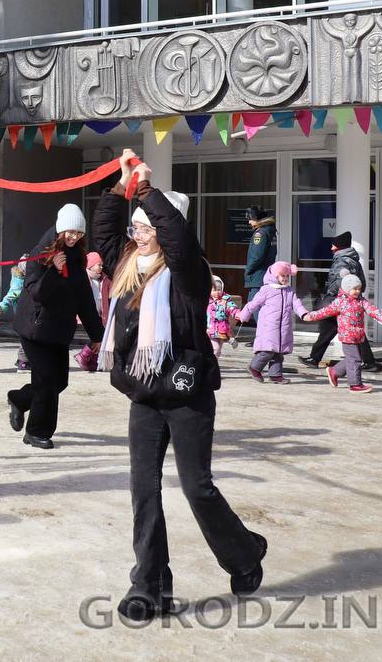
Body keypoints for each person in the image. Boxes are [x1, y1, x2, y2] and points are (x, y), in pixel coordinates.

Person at [92, 150, 267, 622]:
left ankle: (244, 552)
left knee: (197, 488)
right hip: (145, 396)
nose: (140, 234)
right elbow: (103, 232)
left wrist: (149, 193)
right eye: (138, 226)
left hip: (188, 396)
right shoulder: (127, 265)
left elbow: (179, 239)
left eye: (148, 227)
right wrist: (120, 187)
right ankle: (150, 585)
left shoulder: (188, 272)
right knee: (143, 491)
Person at [7, 204, 104, 449]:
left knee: (59, 381)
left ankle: (19, 399)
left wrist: (97, 335)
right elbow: (36, 293)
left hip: (59, 331)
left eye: (79, 234)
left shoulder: (77, 258)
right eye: (70, 232)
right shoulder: (39, 255)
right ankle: (36, 431)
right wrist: (55, 271)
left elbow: (84, 299)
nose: (74, 237)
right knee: (47, 381)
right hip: (35, 329)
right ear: (60, 229)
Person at [300, 232, 381, 372]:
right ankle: (368, 362)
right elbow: (361, 281)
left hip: (339, 301)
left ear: (339, 246)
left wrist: (329, 294)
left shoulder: (342, 260)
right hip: (347, 300)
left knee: (335, 329)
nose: (331, 248)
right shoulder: (353, 260)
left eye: (333, 245)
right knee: (349, 330)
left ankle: (315, 358)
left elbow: (339, 282)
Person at [302, 275, 382, 393]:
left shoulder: (361, 301)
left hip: (358, 336)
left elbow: (373, 310)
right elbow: (324, 312)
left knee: (352, 359)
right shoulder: (340, 302)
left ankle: (334, 371)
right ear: (347, 289)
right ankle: (355, 384)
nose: (357, 291)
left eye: (359, 289)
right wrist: (310, 316)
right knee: (355, 360)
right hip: (347, 336)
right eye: (354, 289)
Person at [235, 261, 307, 384]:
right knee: (268, 351)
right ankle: (254, 367)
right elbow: (254, 304)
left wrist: (304, 314)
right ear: (274, 276)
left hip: (283, 328)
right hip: (268, 327)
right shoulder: (266, 290)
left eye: (287, 276)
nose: (285, 278)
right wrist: (244, 314)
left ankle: (276, 375)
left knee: (278, 353)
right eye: (282, 276)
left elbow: (296, 303)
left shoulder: (289, 291)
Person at [0, 257, 29, 370]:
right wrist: (1, 308)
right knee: (27, 337)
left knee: (30, 337)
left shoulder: (29, 279)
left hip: (30, 314)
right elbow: (10, 296)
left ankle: (23, 359)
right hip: (23, 315)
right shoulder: (19, 283)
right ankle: (23, 362)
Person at [243, 206, 276, 303]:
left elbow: (256, 256)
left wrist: (248, 270)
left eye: (250, 219)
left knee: (254, 306)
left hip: (258, 276)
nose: (249, 222)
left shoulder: (260, 234)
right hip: (265, 275)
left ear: (257, 218)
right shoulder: (270, 231)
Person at [205, 276, 241, 357]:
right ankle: (211, 364)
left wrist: (238, 314)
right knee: (215, 348)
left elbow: (232, 307)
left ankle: (214, 363)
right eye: (214, 290)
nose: (217, 292)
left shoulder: (225, 299)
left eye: (219, 289)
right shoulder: (206, 300)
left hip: (222, 328)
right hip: (209, 328)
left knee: (219, 349)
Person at [86, 251, 112, 324]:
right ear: (90, 265)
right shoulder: (83, 278)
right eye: (99, 265)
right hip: (85, 319)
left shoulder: (104, 279)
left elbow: (112, 289)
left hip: (101, 317)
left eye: (102, 265)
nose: (101, 267)